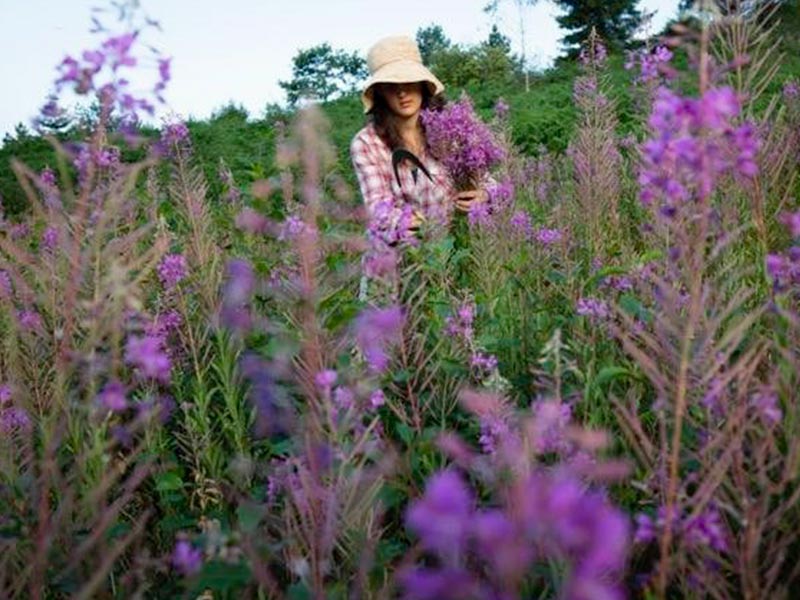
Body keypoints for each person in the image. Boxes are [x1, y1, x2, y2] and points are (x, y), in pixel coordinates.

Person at [350, 35, 488, 249]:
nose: (402, 92)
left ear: (422, 83)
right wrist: (407, 222)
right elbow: (379, 209)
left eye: (408, 80)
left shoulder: (450, 129)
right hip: (399, 262)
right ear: (380, 94)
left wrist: (484, 195)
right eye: (390, 85)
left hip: (457, 254)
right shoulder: (367, 143)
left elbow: (488, 181)